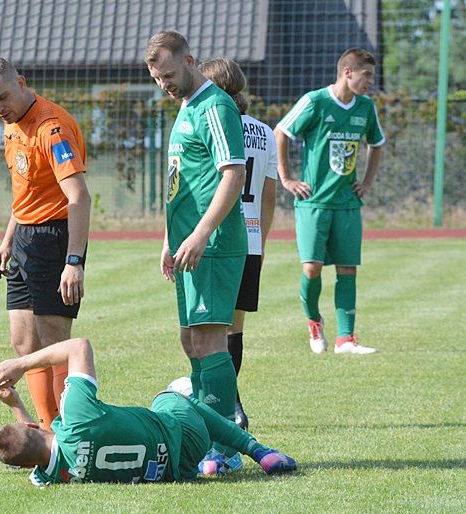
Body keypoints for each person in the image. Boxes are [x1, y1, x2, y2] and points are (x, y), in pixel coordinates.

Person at [0, 338, 297, 485]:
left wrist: (17, 404)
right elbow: (79, 347)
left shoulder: (51, 478)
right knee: (171, 395)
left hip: (178, 472)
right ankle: (257, 450)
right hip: (187, 436)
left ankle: (216, 460)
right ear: (32, 428)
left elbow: (32, 451)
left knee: (169, 409)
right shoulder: (76, 415)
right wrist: (20, 364)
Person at [144, 32, 247, 472]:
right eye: (156, 78)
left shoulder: (215, 105)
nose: (163, 84)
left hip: (215, 244)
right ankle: (211, 436)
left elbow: (233, 174)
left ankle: (225, 445)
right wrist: (171, 238)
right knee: (191, 339)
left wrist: (202, 233)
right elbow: (181, 180)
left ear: (190, 60)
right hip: (187, 246)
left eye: (168, 74)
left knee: (208, 338)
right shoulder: (186, 107)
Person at [0, 57, 91, 430]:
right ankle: (45, 428)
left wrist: (74, 261)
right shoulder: (11, 127)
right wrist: (7, 240)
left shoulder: (51, 128)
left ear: (21, 82)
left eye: (1, 98)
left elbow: (79, 198)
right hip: (24, 236)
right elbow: (26, 192)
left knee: (55, 343)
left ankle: (69, 434)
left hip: (55, 237)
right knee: (24, 342)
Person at [274, 48, 385, 355]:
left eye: (371, 77)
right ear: (347, 72)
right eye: (366, 76)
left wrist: (366, 182)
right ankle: (314, 321)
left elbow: (377, 145)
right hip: (314, 203)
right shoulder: (315, 102)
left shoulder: (365, 107)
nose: (370, 82)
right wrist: (287, 179)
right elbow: (280, 132)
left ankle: (345, 339)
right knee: (312, 268)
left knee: (348, 270)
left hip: (347, 204)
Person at [198, 58, 278, 431]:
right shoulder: (264, 132)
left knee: (208, 327)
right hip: (252, 238)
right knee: (235, 328)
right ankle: (235, 406)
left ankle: (224, 407)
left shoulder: (212, 123)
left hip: (217, 238)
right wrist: (260, 236)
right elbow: (269, 195)